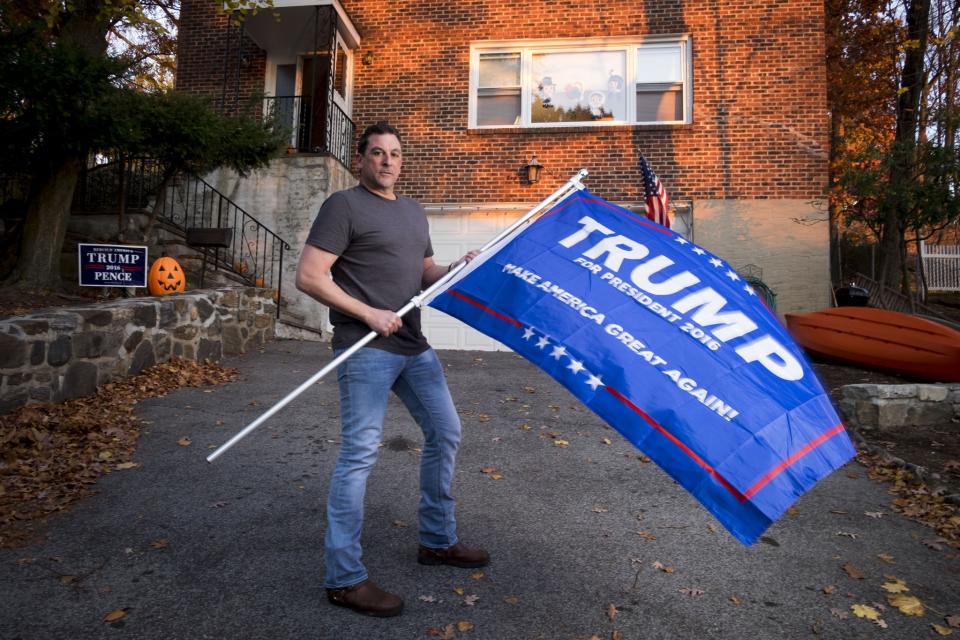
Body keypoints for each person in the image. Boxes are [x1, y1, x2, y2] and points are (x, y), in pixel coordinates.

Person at [295, 122, 488, 618]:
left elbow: (424, 272)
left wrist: (455, 269)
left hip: (412, 346)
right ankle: (344, 578)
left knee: (446, 432)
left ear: (402, 162)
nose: (386, 161)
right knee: (360, 453)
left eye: (395, 154)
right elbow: (310, 276)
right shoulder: (343, 206)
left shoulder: (412, 211)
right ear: (360, 159)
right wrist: (367, 313)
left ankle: (437, 541)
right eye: (377, 153)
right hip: (364, 346)